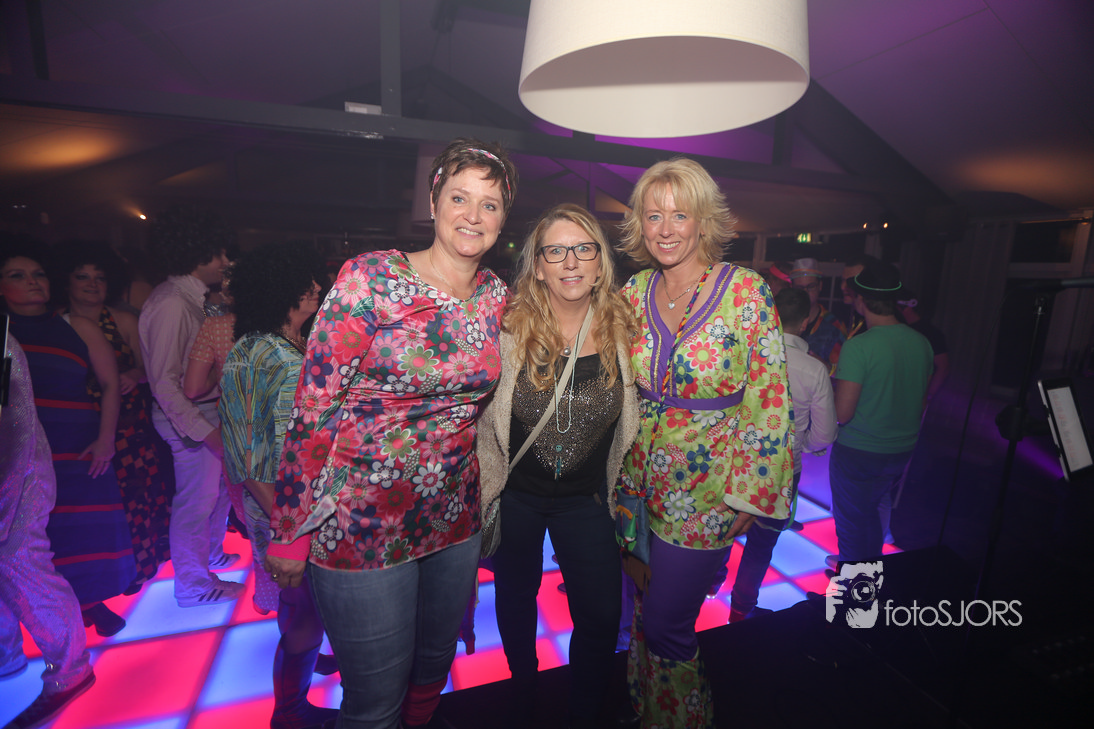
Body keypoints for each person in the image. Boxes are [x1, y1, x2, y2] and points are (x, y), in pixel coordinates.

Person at [265, 138, 518, 729]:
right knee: (375, 702)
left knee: (432, 669)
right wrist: (290, 529)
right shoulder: (372, 277)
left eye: (489, 204)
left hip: (453, 516)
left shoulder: (494, 295)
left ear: (503, 219)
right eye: (459, 198)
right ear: (433, 201)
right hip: (361, 521)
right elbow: (315, 407)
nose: (473, 215)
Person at [616, 158, 794, 728]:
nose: (666, 229)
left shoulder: (745, 291)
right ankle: (647, 708)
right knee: (643, 610)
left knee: (668, 624)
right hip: (636, 484)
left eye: (680, 215)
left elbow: (769, 398)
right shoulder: (634, 289)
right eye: (653, 216)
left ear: (703, 221)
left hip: (708, 491)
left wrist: (752, 494)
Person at [477, 203, 640, 728]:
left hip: (586, 500)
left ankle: (584, 711)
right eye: (556, 251)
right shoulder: (507, 329)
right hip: (516, 497)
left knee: (602, 616)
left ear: (600, 262)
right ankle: (522, 690)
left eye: (583, 249)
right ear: (539, 266)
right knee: (515, 603)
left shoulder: (626, 330)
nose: (570, 261)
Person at [218, 242, 337, 729]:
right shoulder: (254, 352)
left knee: (308, 608)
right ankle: (289, 713)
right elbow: (246, 457)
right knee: (303, 611)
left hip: (305, 507)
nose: (317, 287)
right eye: (305, 280)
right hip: (283, 510)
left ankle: (301, 683)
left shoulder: (294, 344)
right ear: (278, 288)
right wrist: (290, 527)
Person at [1, 239, 135, 637]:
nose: (32, 281)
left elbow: (110, 385)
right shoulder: (3, 333)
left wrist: (106, 438)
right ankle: (47, 619)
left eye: (38, 274)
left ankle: (89, 604)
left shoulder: (76, 326)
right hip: (20, 450)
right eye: (18, 276)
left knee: (85, 532)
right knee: (36, 537)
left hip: (78, 443)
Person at [54, 242, 172, 594]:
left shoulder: (123, 321)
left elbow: (154, 370)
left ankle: (137, 569)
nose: (92, 284)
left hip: (129, 427)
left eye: (100, 278)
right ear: (67, 281)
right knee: (88, 506)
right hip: (77, 427)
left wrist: (133, 375)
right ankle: (94, 581)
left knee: (135, 499)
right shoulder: (56, 323)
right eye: (83, 277)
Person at [139, 207, 242, 608]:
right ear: (196, 253)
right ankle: (193, 585)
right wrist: (204, 431)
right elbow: (164, 381)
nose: (226, 261)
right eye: (219, 253)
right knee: (195, 502)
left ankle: (208, 559)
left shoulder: (188, 298)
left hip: (201, 413)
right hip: (187, 418)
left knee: (212, 496)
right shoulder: (172, 302)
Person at [1, 335, 96, 729]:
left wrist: (5, 499)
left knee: (22, 564)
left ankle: (71, 672)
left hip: (16, 476)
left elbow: (14, 426)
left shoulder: (2, 343)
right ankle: (6, 657)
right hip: (11, 472)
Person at [728, 287, 836, 622]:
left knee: (720, 530)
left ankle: (705, 589)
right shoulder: (815, 369)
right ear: (805, 323)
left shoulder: (745, 356)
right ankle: (740, 612)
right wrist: (803, 444)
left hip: (737, 461)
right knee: (761, 544)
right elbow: (825, 434)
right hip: (784, 468)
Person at [830, 261, 932, 563]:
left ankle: (854, 589)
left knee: (851, 526)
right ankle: (869, 582)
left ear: (861, 299)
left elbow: (843, 414)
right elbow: (920, 400)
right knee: (870, 516)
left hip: (859, 452)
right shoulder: (921, 342)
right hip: (900, 450)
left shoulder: (859, 347)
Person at [790, 257, 847, 374]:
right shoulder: (783, 320)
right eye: (800, 288)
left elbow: (843, 372)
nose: (805, 292)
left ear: (820, 286)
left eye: (810, 286)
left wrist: (824, 367)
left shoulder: (834, 326)